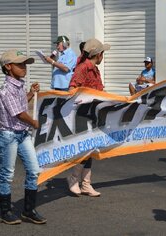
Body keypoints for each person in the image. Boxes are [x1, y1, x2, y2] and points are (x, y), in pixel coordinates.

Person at [0, 49, 46, 225]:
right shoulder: (6, 89)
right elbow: (18, 113)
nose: (24, 67)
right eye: (20, 64)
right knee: (7, 174)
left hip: (22, 134)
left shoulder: (19, 85)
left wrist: (31, 94)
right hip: (9, 135)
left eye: (25, 64)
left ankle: (28, 210)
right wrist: (34, 123)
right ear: (8, 67)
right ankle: (5, 212)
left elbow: (21, 104)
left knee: (34, 171)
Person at [67, 38, 111, 197]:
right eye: (103, 53)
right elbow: (72, 89)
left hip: (94, 114)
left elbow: (99, 91)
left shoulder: (95, 70)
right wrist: (82, 100)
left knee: (91, 148)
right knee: (84, 148)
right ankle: (73, 178)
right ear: (98, 54)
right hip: (82, 115)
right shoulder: (83, 68)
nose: (103, 56)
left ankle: (86, 184)